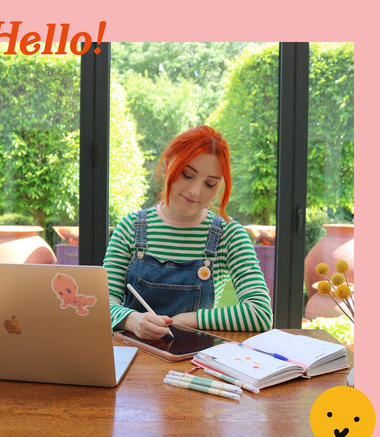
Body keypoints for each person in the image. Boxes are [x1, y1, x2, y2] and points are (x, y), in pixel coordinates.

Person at [103, 125, 273, 339]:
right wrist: (132, 320)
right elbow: (101, 304)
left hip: (194, 363)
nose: (195, 191)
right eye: (187, 174)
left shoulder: (229, 236)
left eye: (210, 184)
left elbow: (260, 313)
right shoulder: (130, 227)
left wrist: (185, 320)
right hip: (132, 359)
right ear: (166, 167)